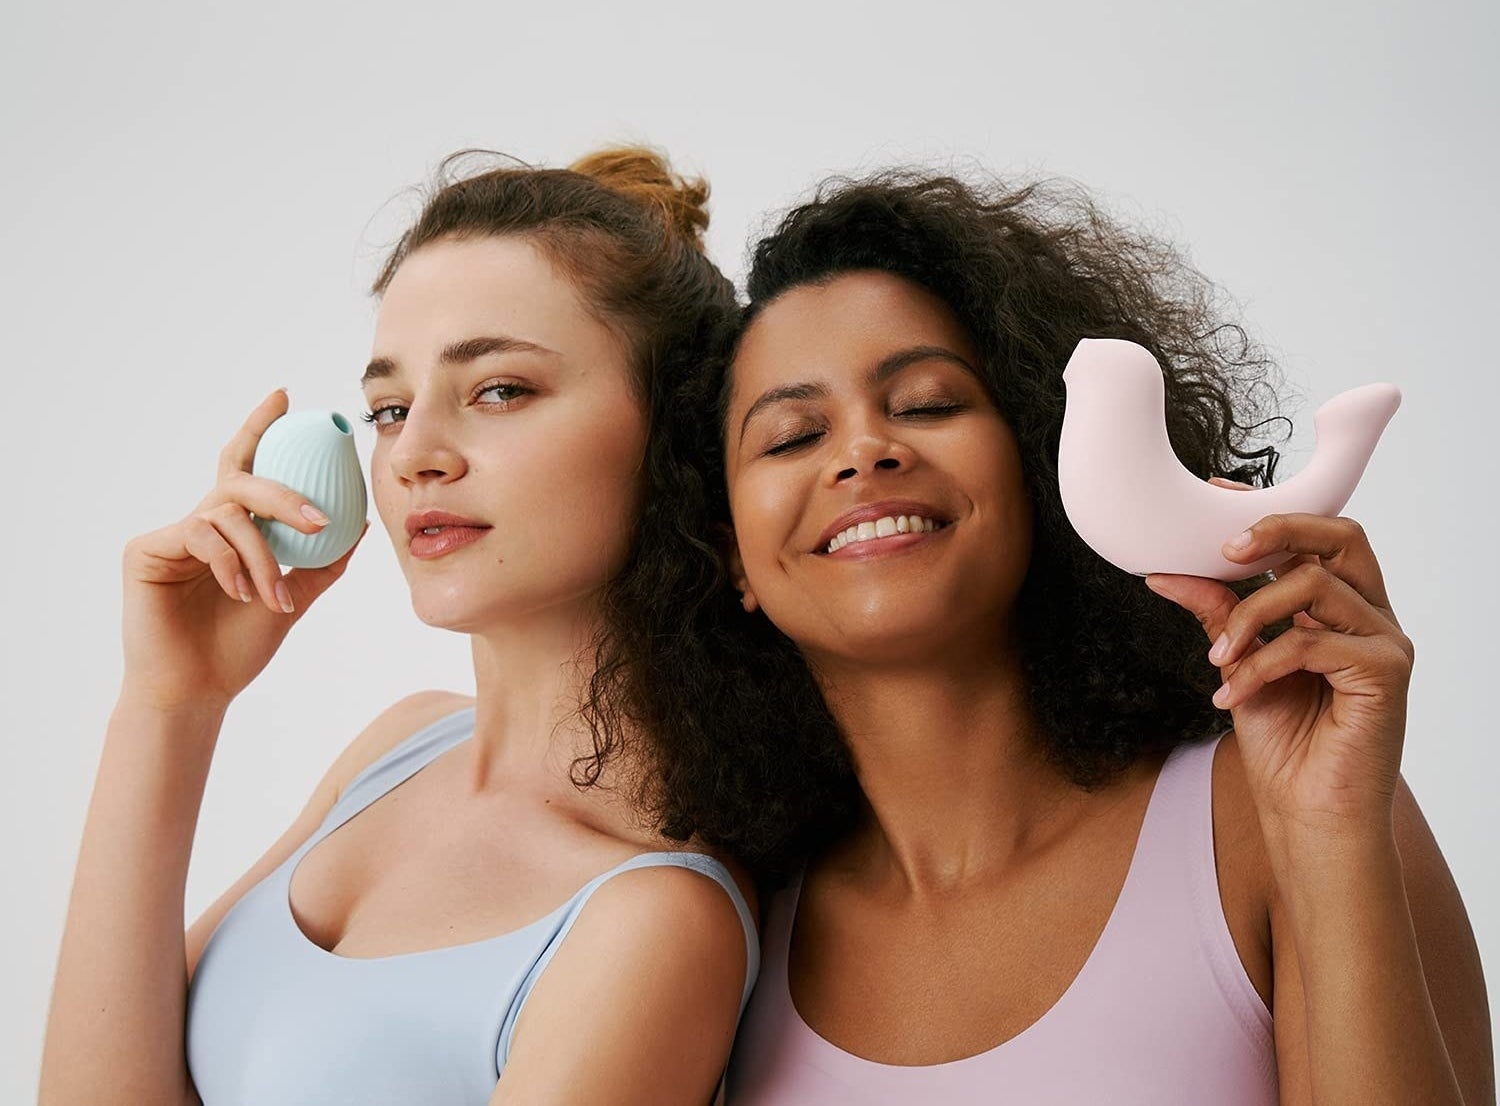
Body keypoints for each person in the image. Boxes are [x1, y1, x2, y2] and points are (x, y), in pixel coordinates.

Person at [657, 169, 1493, 1103]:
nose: (864, 451)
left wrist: (1330, 829)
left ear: (1045, 460)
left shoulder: (1272, 812)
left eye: (928, 403)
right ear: (729, 556)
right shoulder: (721, 921)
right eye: (790, 436)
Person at [39, 145, 788, 1106]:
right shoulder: (396, 748)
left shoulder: (654, 919)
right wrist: (170, 704)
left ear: (677, 433)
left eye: (499, 390)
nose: (414, 457)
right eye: (389, 408)